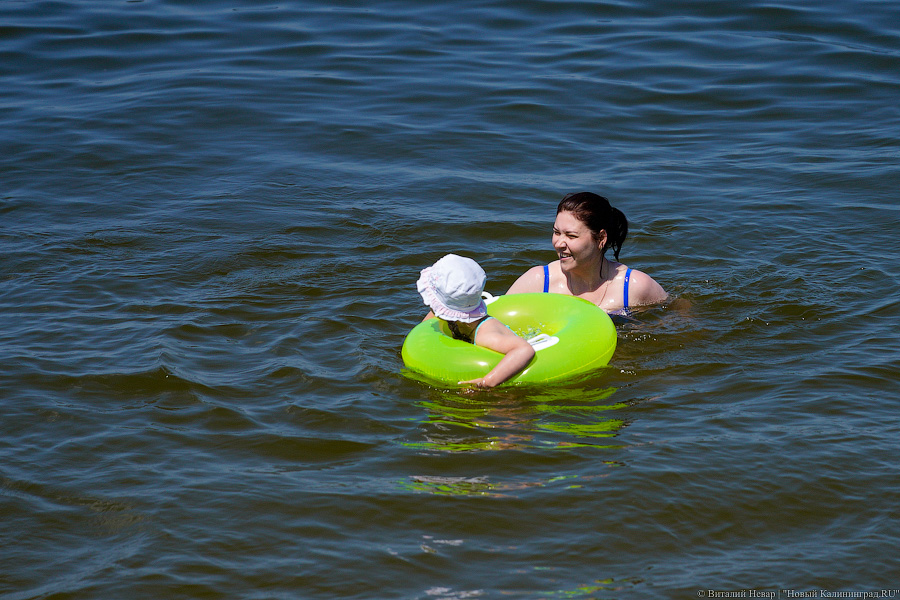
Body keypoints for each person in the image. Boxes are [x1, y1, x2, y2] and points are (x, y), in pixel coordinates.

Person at [506, 192, 667, 313]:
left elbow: (676, 319)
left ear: (601, 238)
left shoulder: (632, 286)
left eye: (571, 236)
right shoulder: (539, 282)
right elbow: (494, 322)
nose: (559, 243)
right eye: (556, 232)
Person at [418, 254, 535, 389]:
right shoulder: (447, 317)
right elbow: (422, 334)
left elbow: (524, 349)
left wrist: (487, 382)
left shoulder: (485, 335)